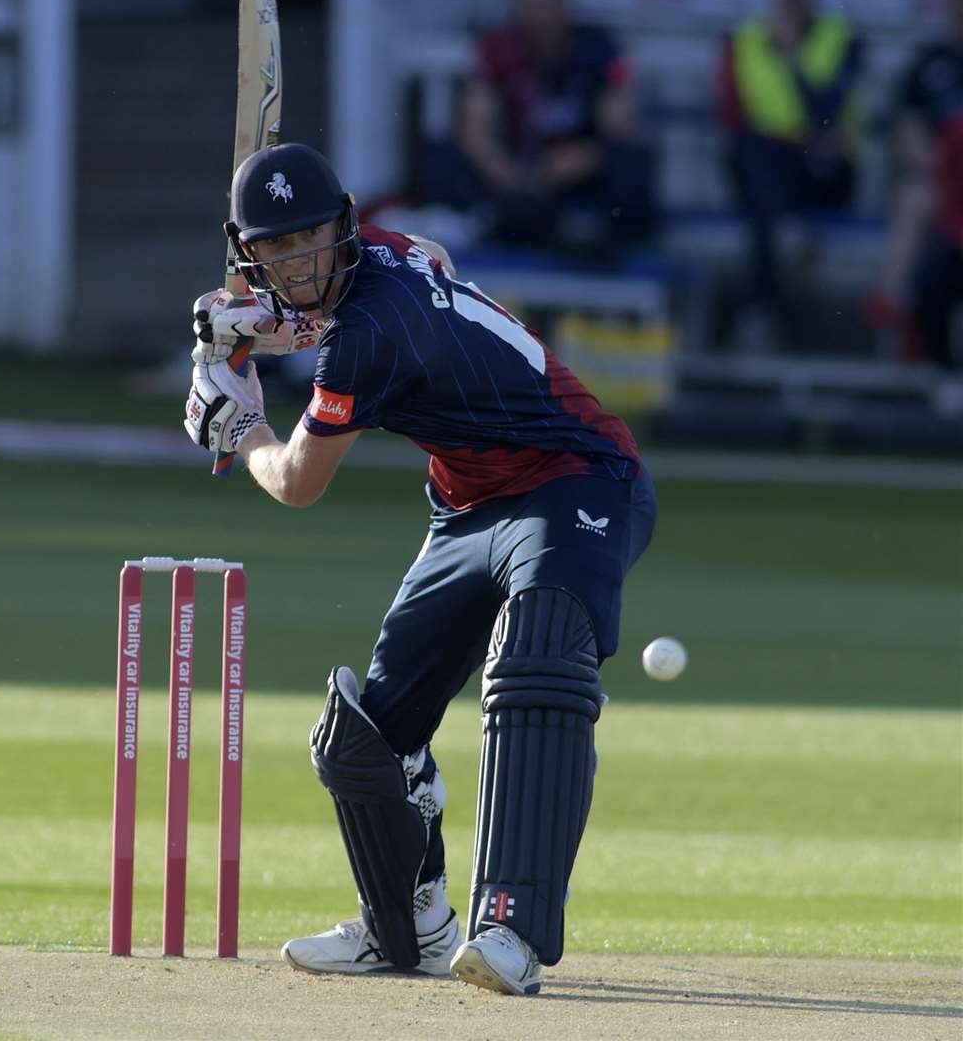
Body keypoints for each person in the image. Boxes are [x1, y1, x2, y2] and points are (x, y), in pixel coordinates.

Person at [183, 143, 657, 995]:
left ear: (344, 226)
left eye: (311, 239)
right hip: (468, 509)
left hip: (578, 478)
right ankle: (405, 932)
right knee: (367, 736)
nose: (299, 261)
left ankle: (510, 931)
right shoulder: (396, 253)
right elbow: (401, 278)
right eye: (278, 249)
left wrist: (237, 422)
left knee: (536, 659)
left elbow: (295, 482)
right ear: (254, 252)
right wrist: (248, 325)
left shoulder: (366, 336)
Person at [452, 0, 655, 258]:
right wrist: (517, 177)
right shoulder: (498, 50)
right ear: (519, 6)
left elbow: (619, 127)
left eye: (549, 5)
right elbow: (475, 133)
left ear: (565, 5)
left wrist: (583, 157)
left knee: (629, 172)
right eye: (533, 5)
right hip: (518, 181)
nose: (541, 16)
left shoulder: (596, 47)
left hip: (583, 180)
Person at [716, 0, 864, 351]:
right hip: (767, 168)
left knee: (766, 175)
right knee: (753, 155)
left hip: (824, 173)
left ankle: (764, 308)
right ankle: (776, 292)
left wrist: (792, 57)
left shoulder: (844, 38)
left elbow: (826, 113)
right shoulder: (744, 39)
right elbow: (731, 121)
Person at [869, 0, 963, 366]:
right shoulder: (928, 65)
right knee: (917, 197)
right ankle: (895, 303)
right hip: (945, 187)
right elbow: (907, 133)